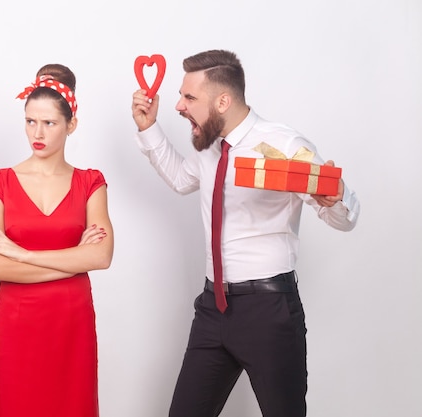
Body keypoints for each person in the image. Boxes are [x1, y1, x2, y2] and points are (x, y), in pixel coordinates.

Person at [130, 49, 360, 417]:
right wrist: (147, 127)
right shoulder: (209, 146)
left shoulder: (282, 145)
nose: (178, 105)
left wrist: (334, 197)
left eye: (189, 97)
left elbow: (344, 218)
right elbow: (179, 179)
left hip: (268, 310)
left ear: (223, 100)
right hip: (212, 308)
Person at [0, 63, 114, 417]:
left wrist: (21, 254)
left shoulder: (90, 182)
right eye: (30, 121)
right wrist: (73, 259)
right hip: (17, 323)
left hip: (71, 323)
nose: (37, 133)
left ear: (71, 125)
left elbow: (100, 257)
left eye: (49, 123)